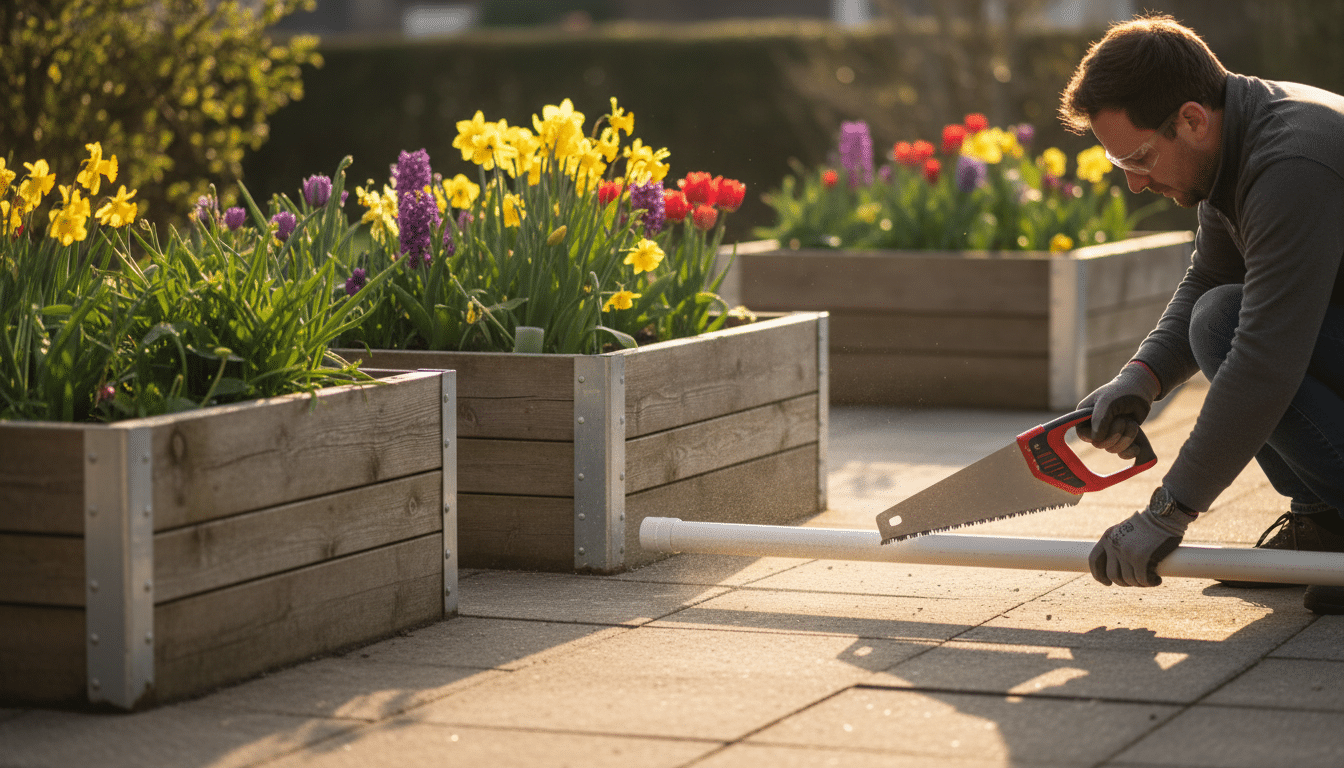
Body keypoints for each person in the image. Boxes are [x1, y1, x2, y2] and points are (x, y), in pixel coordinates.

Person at [1057, 13, 1344, 612]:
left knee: (1226, 324)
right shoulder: (1236, 142)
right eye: (1120, 164)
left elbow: (1265, 359)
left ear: (1191, 120)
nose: (1135, 184)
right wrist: (1141, 377)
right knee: (1216, 313)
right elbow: (1212, 276)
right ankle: (1327, 522)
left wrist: (1170, 510)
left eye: (1139, 158)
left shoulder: (1292, 163)